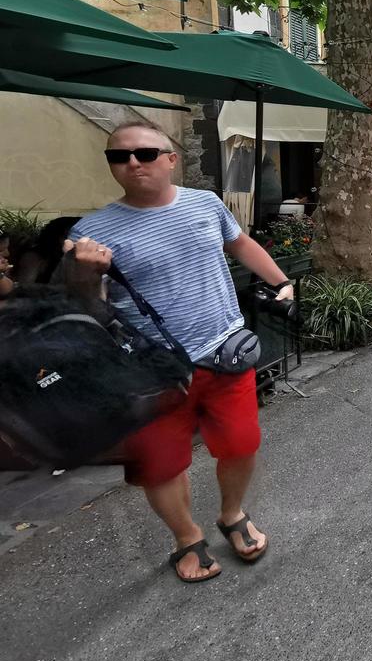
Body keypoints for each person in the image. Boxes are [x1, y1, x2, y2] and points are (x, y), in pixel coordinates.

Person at [67, 119, 293, 582]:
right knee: (161, 465)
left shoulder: (205, 203)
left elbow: (240, 243)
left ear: (171, 159)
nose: (132, 163)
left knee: (241, 444)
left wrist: (282, 281)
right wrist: (86, 271)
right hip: (152, 372)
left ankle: (231, 514)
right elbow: (85, 308)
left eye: (145, 153)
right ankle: (186, 536)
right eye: (119, 156)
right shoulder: (92, 231)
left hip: (224, 352)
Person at [13, 216, 80, 285]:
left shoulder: (72, 256)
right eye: (75, 236)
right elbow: (25, 286)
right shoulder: (34, 257)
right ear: (60, 237)